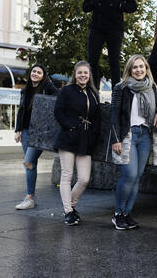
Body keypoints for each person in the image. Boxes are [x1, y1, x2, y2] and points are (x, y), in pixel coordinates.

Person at [110, 54, 157, 230]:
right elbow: (113, 115)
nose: (138, 70)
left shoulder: (151, 87)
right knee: (128, 175)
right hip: (127, 135)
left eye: (141, 67)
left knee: (137, 177)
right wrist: (116, 139)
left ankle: (127, 214)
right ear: (129, 69)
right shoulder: (121, 88)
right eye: (135, 67)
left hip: (145, 135)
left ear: (146, 69)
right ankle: (118, 214)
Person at [54, 61, 101, 226]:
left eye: (85, 73)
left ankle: (70, 207)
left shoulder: (94, 93)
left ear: (89, 76)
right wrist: (71, 126)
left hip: (85, 140)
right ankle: (68, 212)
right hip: (68, 137)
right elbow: (58, 112)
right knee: (66, 175)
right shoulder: (66, 90)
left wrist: (93, 137)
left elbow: (97, 117)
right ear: (75, 74)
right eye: (80, 72)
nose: (83, 75)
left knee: (84, 179)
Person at [83, 0, 137, 89]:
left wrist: (119, 5)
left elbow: (133, 6)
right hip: (97, 27)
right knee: (93, 60)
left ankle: (116, 92)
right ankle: (93, 91)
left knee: (114, 60)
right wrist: (95, 2)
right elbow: (85, 7)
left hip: (115, 28)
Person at [15, 63, 58, 210]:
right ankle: (31, 197)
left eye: (39, 72)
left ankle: (29, 197)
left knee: (28, 162)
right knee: (31, 166)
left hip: (40, 133)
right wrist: (18, 130)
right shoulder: (24, 91)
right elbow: (21, 111)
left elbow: (58, 101)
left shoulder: (48, 89)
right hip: (26, 131)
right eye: (33, 71)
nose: (35, 74)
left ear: (43, 76)